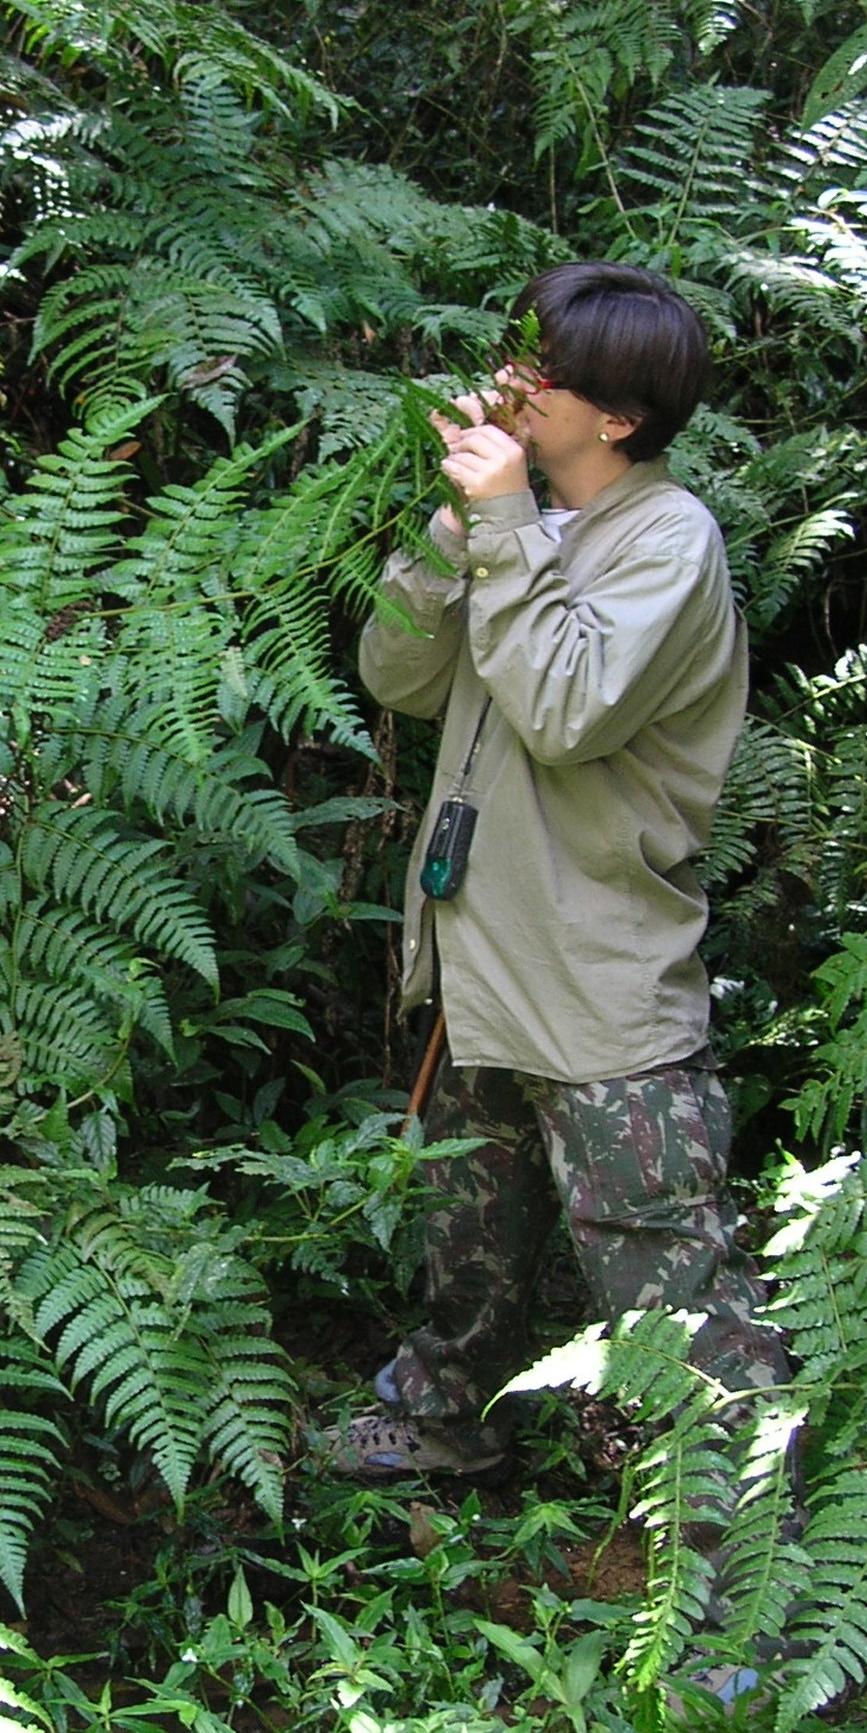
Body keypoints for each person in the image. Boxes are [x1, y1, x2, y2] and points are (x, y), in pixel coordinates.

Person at [334, 262, 790, 1480]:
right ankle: (448, 1424)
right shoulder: (521, 522)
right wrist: (455, 536)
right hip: (482, 951)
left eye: (544, 374)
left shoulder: (668, 540)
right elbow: (399, 680)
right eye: (514, 357)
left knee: (662, 1272)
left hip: (597, 976)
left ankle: (742, 1537)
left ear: (620, 417)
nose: (511, 387)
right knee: (469, 1227)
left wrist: (499, 528)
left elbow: (561, 710)